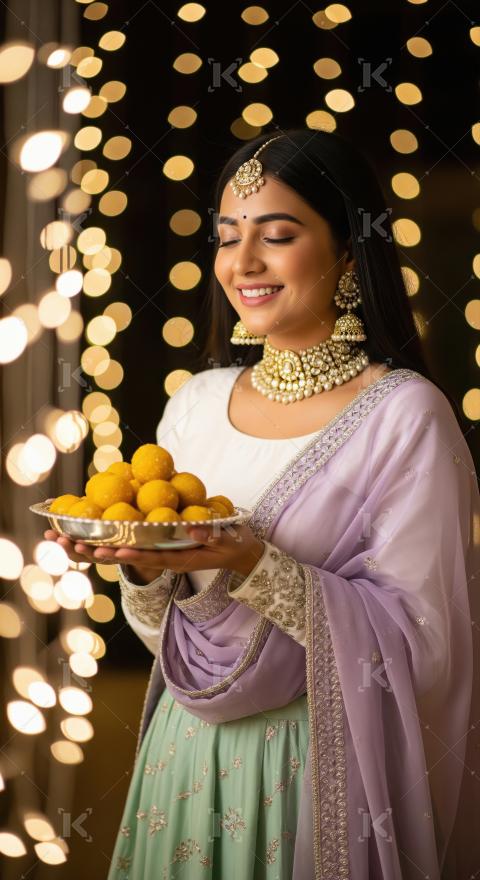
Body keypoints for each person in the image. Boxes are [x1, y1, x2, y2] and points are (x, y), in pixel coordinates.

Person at [45, 128, 480, 879]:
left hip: (315, 769)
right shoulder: (195, 404)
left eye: (277, 235)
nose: (242, 263)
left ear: (349, 254)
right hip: (183, 756)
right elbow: (173, 638)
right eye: (226, 236)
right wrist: (140, 572)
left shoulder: (405, 415)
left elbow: (427, 649)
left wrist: (252, 560)